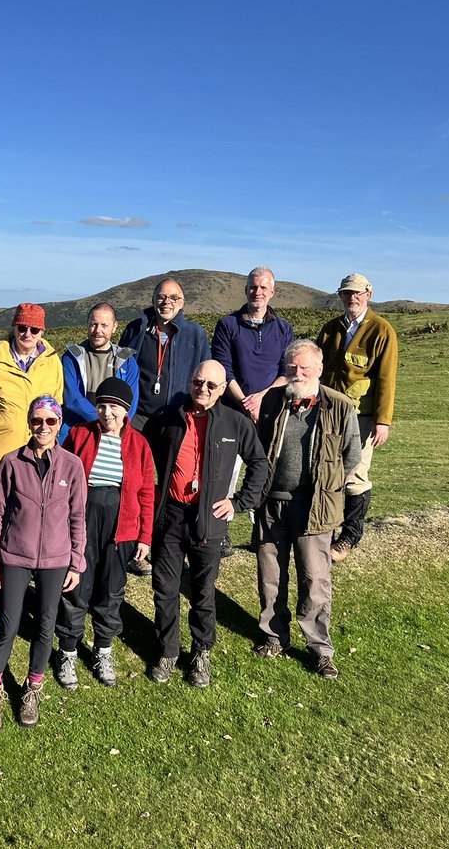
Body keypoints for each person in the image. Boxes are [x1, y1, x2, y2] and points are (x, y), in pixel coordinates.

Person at [142, 360, 268, 688]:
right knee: (165, 588)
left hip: (209, 519)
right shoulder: (167, 417)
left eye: (212, 385)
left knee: (203, 591)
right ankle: (168, 650)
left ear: (223, 389)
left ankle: (200, 651)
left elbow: (259, 463)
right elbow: (142, 454)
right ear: (190, 380)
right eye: (198, 382)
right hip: (169, 515)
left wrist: (239, 502)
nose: (203, 389)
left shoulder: (235, 423)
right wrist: (151, 492)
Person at [254, 339, 361, 679]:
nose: (297, 374)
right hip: (272, 503)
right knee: (271, 575)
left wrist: (326, 487)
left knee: (315, 579)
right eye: (291, 368)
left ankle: (319, 649)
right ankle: (274, 636)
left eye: (304, 368)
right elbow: (260, 449)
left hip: (316, 507)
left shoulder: (341, 406)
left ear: (319, 370)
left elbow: (351, 457)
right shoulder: (273, 400)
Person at [0, 396, 86, 732]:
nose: (43, 427)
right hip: (14, 556)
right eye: (37, 420)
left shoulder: (72, 465)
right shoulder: (11, 463)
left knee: (45, 624)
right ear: (29, 423)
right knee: (8, 625)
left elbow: (78, 516)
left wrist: (76, 561)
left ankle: (32, 689)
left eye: (50, 421)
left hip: (56, 559)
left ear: (59, 425)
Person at [54, 378, 154, 689]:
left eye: (113, 406)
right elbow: (62, 477)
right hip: (83, 521)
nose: (106, 412)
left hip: (122, 525)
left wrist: (144, 536)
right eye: (101, 405)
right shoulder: (80, 434)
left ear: (126, 410)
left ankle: (103, 649)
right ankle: (68, 650)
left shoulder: (139, 444)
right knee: (76, 585)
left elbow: (147, 493)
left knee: (111, 589)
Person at [315, 273, 398, 562]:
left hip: (361, 415)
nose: (352, 298)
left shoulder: (382, 330)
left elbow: (387, 378)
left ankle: (350, 536)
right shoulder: (330, 329)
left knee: (356, 474)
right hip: (327, 412)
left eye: (357, 293)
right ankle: (324, 529)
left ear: (369, 294)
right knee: (326, 470)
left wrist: (383, 420)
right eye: (346, 293)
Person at [0, 302, 64, 503]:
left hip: (40, 454)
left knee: (30, 518)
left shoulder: (53, 363)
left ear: (41, 332)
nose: (27, 334)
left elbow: (57, 406)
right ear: (14, 327)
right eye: (22, 328)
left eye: (34, 329)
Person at [118, 277, 212, 431]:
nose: (167, 302)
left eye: (174, 298)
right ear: (153, 300)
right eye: (161, 297)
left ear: (182, 303)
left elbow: (205, 377)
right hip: (136, 418)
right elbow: (119, 368)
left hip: (176, 420)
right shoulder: (135, 330)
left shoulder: (196, 335)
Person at [210, 267, 294, 425]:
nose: (258, 292)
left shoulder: (284, 328)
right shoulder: (227, 324)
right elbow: (224, 370)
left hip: (271, 410)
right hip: (233, 410)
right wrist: (245, 404)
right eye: (253, 287)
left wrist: (262, 398)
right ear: (246, 290)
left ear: (272, 292)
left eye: (263, 288)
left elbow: (286, 371)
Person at [60, 302, 139, 439]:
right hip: (76, 432)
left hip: (113, 434)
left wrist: (111, 424)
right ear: (87, 324)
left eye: (104, 325)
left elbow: (130, 403)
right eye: (94, 324)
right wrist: (103, 421)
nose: (98, 330)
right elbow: (72, 398)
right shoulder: (71, 358)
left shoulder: (127, 362)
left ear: (114, 327)